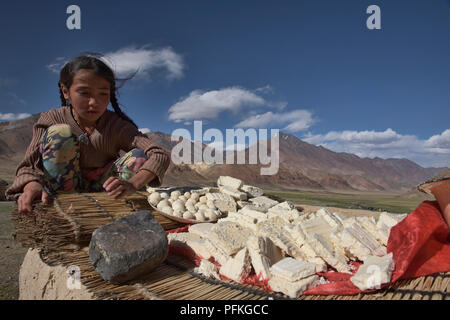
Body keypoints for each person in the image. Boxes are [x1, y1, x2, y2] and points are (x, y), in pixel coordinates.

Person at [6, 53, 170, 213]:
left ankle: (108, 209)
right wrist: (31, 185)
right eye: (84, 93)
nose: (94, 102)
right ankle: (64, 208)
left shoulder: (117, 125)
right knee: (60, 133)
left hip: (104, 193)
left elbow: (158, 154)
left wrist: (133, 184)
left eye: (103, 94)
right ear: (65, 91)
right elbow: (29, 165)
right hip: (61, 192)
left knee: (139, 156)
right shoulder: (52, 118)